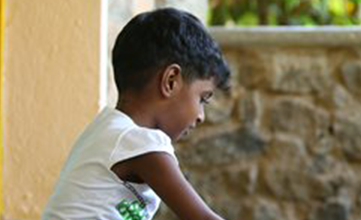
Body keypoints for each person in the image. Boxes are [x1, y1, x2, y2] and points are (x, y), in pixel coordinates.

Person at [42, 8, 231, 220]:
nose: (201, 116)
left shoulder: (105, 131)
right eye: (202, 98)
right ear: (171, 81)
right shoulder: (142, 143)